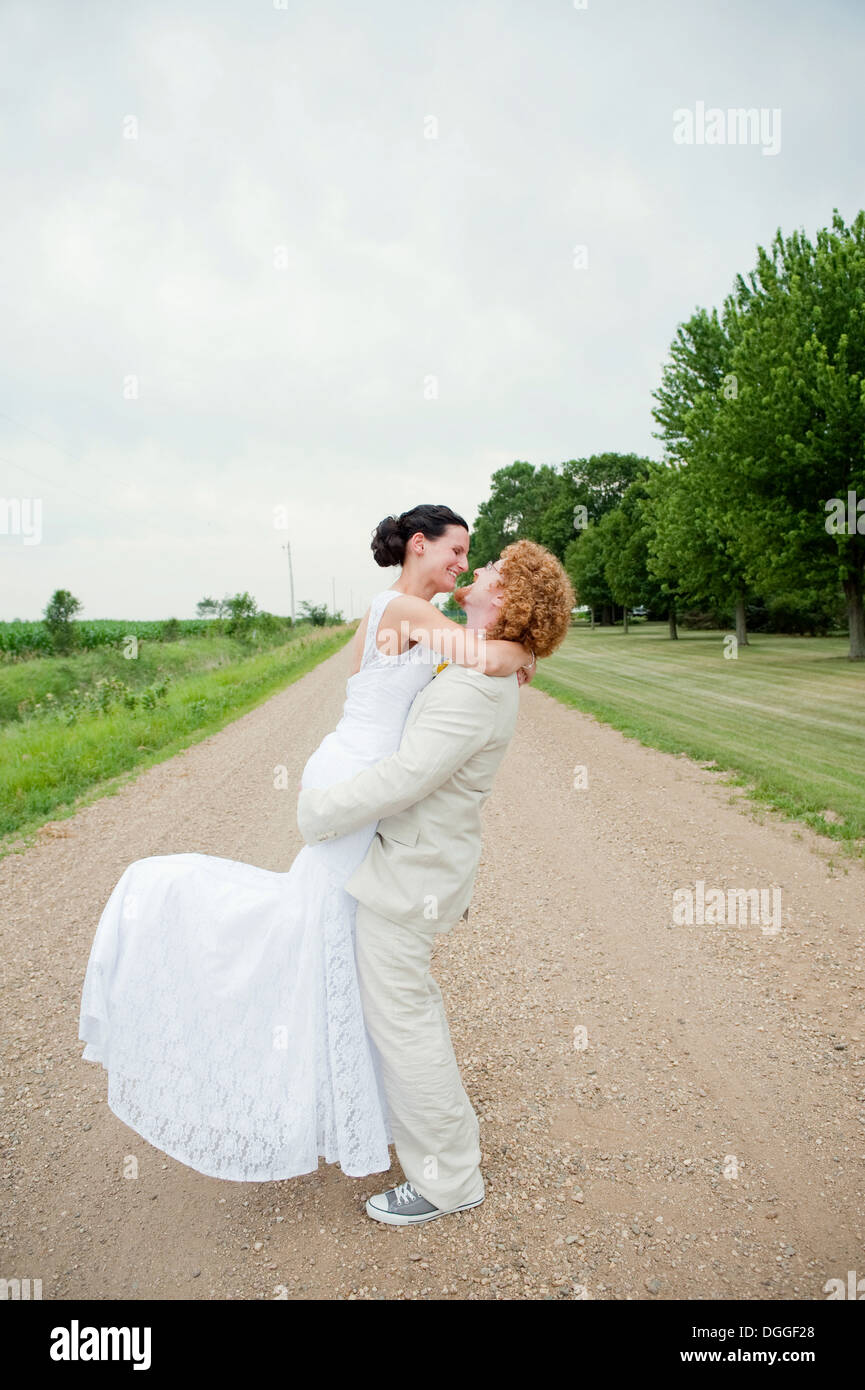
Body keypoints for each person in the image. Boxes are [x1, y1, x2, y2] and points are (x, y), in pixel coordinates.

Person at [78, 504, 534, 1182]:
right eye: (457, 550)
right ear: (418, 544)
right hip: (356, 780)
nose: (464, 565)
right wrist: (528, 648)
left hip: (353, 765)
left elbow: (434, 665)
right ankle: (286, 1076)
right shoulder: (405, 610)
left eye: (472, 558)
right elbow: (484, 653)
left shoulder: (402, 607)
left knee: (333, 935)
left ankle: (348, 1101)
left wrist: (499, 630)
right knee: (317, 931)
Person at [297, 538, 574, 1224]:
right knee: (398, 1015)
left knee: (405, 1023)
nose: (475, 572)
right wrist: (519, 653)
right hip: (411, 869)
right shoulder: (481, 666)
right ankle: (422, 1145)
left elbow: (407, 777)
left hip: (410, 876)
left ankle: (449, 1180)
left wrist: (319, 812)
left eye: (490, 571)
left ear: (506, 599)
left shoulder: (480, 685)